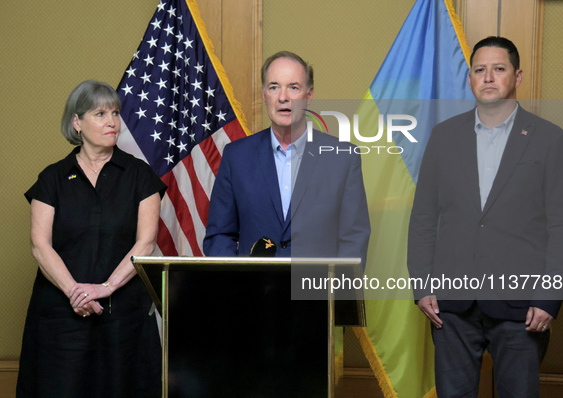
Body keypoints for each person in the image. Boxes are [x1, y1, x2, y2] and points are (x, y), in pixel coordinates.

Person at [408, 37, 563, 397]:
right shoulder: (442, 138)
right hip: (451, 306)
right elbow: (423, 217)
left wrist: (549, 297)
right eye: (479, 70)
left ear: (517, 76)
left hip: (523, 308)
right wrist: (422, 286)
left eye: (498, 69)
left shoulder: (550, 140)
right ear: (470, 78)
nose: (488, 77)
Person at [17, 80, 167, 397]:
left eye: (115, 113)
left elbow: (146, 243)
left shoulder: (141, 176)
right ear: (77, 122)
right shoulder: (52, 178)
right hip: (61, 319)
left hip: (123, 319)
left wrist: (105, 288)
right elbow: (39, 245)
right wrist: (75, 292)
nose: (112, 121)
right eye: (100, 113)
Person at [204, 51, 370, 263]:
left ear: (309, 95)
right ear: (264, 95)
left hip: (319, 292)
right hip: (252, 292)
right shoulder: (236, 156)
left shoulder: (343, 158)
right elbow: (219, 235)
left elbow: (354, 238)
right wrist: (238, 282)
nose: (283, 97)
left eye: (293, 87)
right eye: (274, 87)